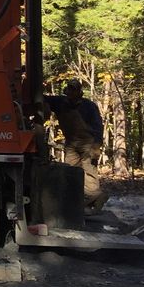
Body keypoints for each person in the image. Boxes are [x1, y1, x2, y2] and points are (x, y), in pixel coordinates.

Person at [44, 80, 108, 212]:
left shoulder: (89, 106)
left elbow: (97, 126)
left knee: (88, 171)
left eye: (74, 90)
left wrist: (96, 144)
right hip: (72, 143)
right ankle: (76, 201)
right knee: (71, 171)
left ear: (79, 92)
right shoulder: (61, 102)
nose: (71, 92)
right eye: (69, 89)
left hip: (88, 142)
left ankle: (96, 199)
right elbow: (43, 98)